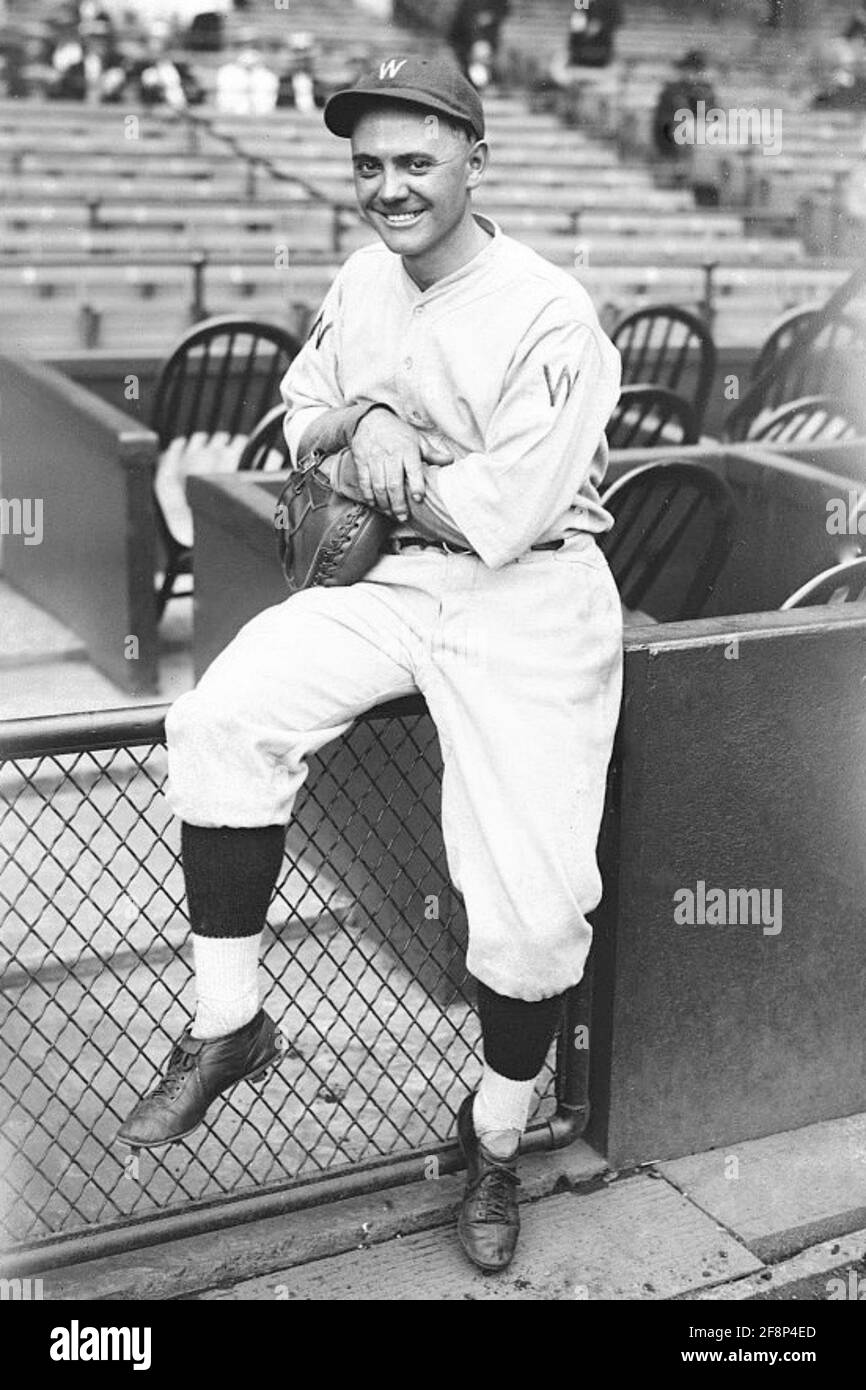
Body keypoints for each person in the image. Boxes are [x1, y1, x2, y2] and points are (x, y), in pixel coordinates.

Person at [117, 55, 623, 1275]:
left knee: (533, 915)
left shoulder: (550, 310)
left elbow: (502, 513)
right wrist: (365, 421)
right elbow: (297, 415)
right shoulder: (361, 277)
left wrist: (378, 460)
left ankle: (495, 1140)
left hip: (530, 594)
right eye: (369, 167)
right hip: (395, 581)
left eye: (416, 160)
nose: (389, 187)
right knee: (220, 715)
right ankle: (230, 1028)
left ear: (474, 156)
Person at [652, 49, 718, 160]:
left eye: (697, 70)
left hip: (701, 139)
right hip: (672, 139)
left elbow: (714, 116)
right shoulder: (671, 91)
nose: (693, 74)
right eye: (690, 70)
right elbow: (663, 120)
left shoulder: (706, 90)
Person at [215, 33, 277, 115]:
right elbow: (224, 103)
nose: (249, 50)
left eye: (255, 46)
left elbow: (267, 105)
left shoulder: (269, 75)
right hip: (231, 118)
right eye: (243, 46)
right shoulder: (225, 72)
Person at [566, 0, 623, 69]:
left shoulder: (611, 2)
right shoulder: (583, 1)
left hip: (603, 47)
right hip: (581, 48)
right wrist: (585, 28)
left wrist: (601, 25)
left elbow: (617, 20)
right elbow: (577, 17)